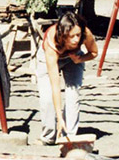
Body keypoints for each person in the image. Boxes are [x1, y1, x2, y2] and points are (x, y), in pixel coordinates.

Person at [36, 11, 98, 145]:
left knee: (73, 94)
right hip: (48, 58)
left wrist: (80, 59)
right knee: (47, 98)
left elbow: (94, 53)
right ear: (63, 36)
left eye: (78, 35)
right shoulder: (51, 43)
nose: (76, 39)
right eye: (72, 36)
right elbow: (55, 86)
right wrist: (59, 117)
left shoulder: (85, 33)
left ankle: (68, 136)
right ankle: (48, 137)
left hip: (73, 59)